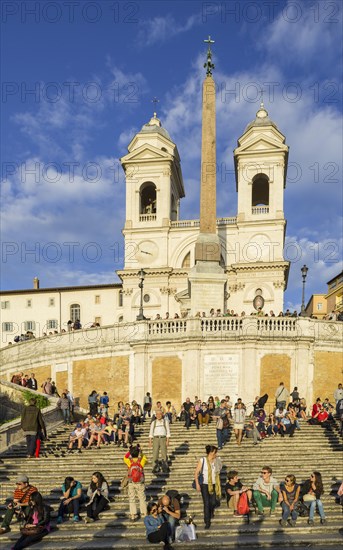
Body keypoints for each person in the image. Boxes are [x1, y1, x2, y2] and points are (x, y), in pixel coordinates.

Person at [194, 445, 222, 529]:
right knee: (206, 502)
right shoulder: (202, 460)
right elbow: (196, 473)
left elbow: (219, 470)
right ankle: (207, 521)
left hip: (214, 484)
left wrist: (217, 462)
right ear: (211, 452)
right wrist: (197, 484)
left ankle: (211, 510)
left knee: (213, 502)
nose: (216, 454)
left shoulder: (217, 460)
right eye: (215, 452)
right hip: (204, 484)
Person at [124, 445, 147, 521]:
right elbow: (145, 457)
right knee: (142, 498)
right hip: (140, 481)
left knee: (132, 498)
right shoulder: (141, 461)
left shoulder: (129, 462)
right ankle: (144, 513)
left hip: (131, 481)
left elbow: (125, 457)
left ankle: (133, 515)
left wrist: (129, 451)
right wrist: (141, 451)